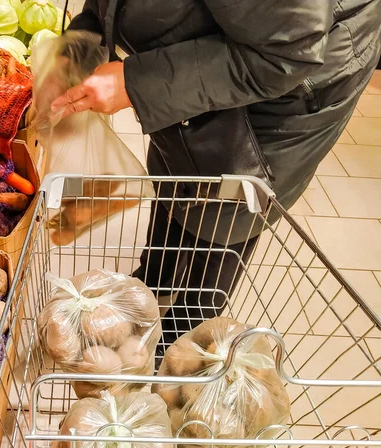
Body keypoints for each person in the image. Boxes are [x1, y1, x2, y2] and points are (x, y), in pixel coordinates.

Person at [50, 0, 381, 344]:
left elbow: (289, 50)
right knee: (178, 163)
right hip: (214, 44)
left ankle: (182, 339)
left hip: (292, 76)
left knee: (228, 207)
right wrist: (85, 35)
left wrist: (137, 82)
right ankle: (154, 280)